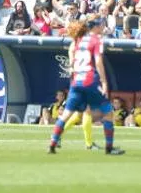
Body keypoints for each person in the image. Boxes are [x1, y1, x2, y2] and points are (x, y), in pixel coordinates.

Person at [48, 20, 124, 155]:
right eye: (100, 25)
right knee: (107, 111)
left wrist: (73, 70)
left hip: (76, 81)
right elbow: (98, 61)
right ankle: (108, 147)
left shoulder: (77, 41)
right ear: (95, 27)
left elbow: (72, 60)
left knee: (68, 114)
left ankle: (53, 143)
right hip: (90, 80)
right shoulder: (96, 40)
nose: (102, 27)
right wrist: (104, 82)